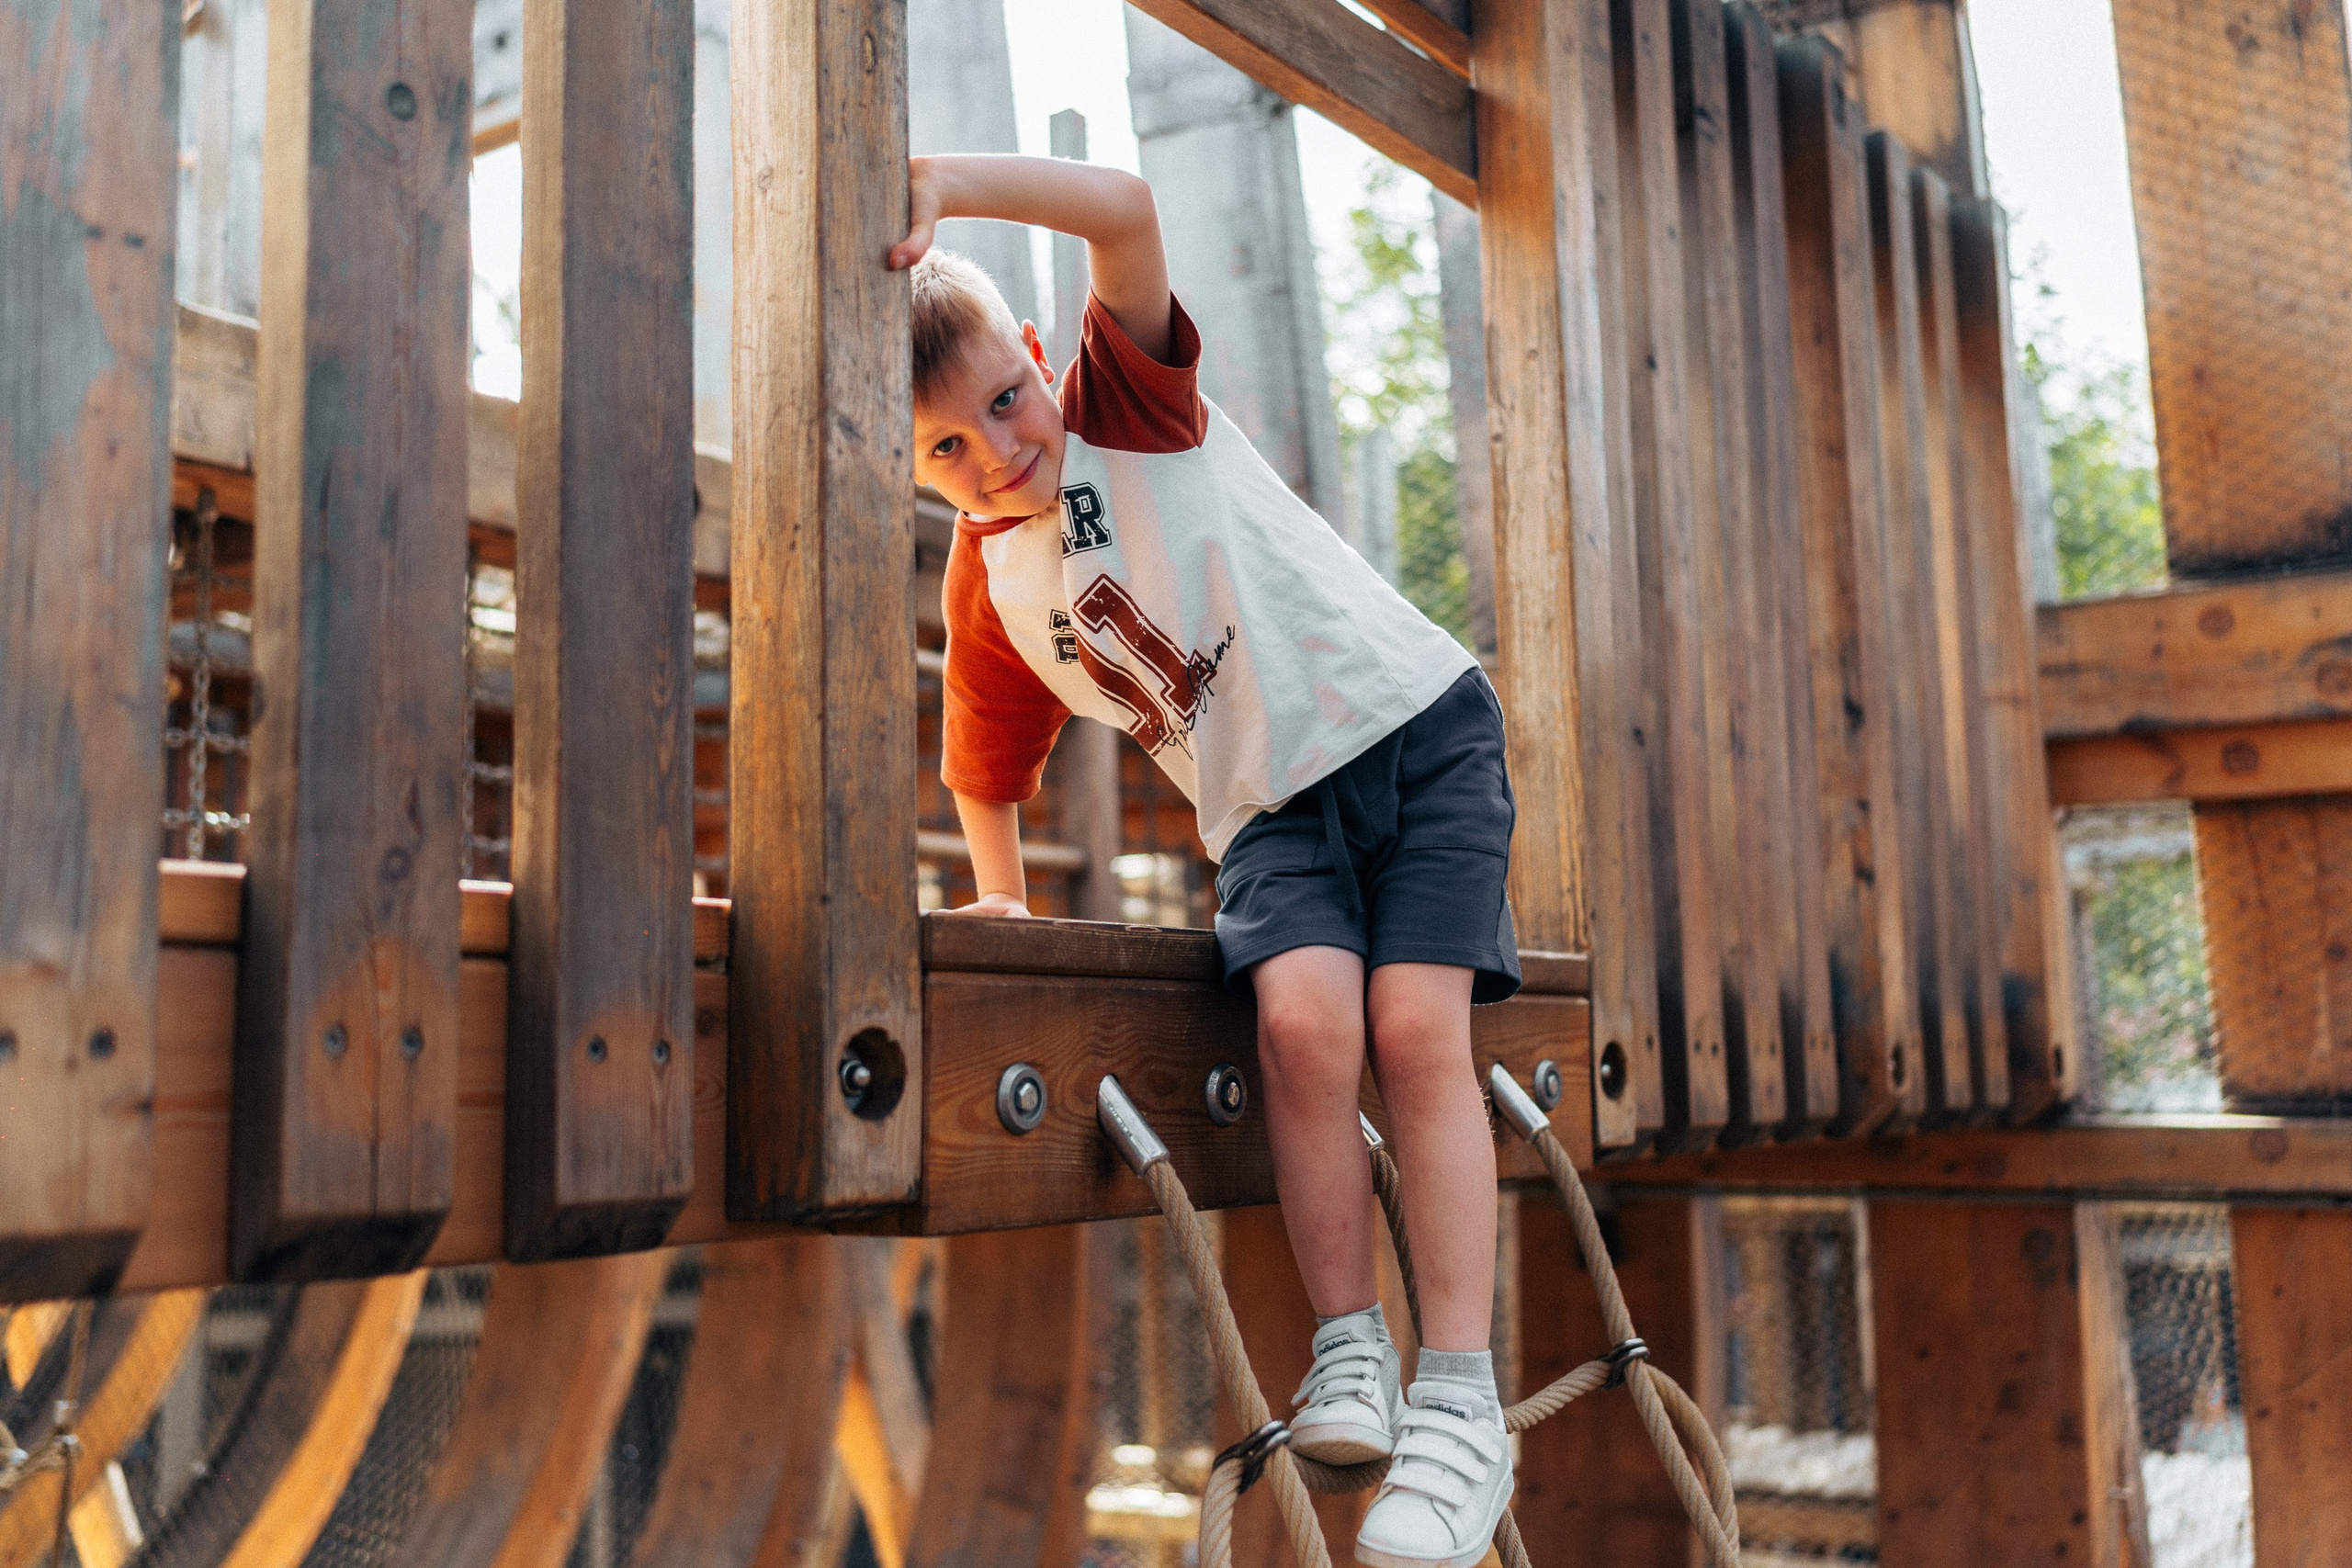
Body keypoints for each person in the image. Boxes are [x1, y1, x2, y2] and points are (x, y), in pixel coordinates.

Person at [890, 153, 1519, 1568]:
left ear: (1038, 354)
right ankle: (1352, 1350)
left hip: (1413, 730)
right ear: (911, 469)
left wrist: (944, 185)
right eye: (944, 450)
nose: (994, 452)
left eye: (1004, 400)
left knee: (1414, 1030)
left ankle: (1462, 1402)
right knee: (1302, 1029)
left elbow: (1124, 207)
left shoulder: (1124, 404)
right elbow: (984, 752)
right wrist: (1002, 894)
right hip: (1267, 809)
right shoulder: (990, 581)